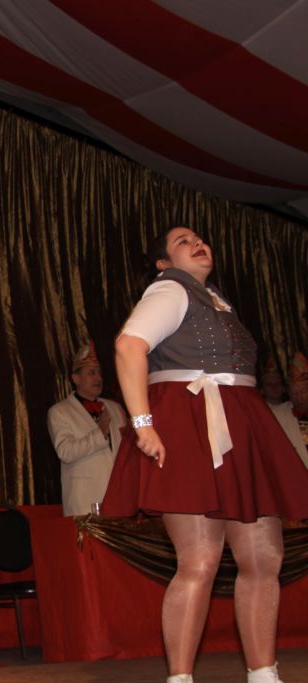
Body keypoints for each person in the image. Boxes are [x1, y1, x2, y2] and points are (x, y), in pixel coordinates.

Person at [102, 226, 308, 683]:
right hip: (192, 423)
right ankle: (180, 679)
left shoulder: (217, 301)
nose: (196, 243)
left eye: (199, 238)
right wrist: (142, 423)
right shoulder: (170, 289)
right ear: (163, 263)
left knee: (264, 557)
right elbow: (128, 346)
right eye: (182, 241)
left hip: (239, 424)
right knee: (199, 560)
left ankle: (263, 673)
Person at [46, 341, 127, 516]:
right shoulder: (60, 412)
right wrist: (100, 433)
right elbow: (66, 452)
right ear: (76, 379)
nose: (98, 378)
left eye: (99, 373)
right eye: (91, 373)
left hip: (119, 500)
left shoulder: (116, 408)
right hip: (85, 501)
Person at [265, 353, 308, 469]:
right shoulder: (276, 415)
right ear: (288, 392)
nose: (299, 397)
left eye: (303, 392)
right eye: (294, 393)